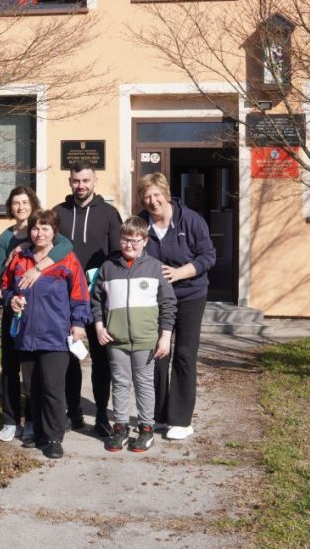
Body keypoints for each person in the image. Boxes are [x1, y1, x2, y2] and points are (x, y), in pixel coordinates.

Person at [1, 209, 91, 460]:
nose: (39, 233)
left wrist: (78, 323)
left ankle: (54, 437)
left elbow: (80, 294)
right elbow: (6, 287)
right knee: (33, 388)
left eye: (45, 228)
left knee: (52, 388)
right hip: (26, 334)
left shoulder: (67, 259)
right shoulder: (20, 258)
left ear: (54, 232)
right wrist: (12, 301)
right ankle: (39, 432)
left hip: (55, 335)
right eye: (35, 228)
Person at [136, 173, 216, 441]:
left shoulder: (190, 220)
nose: (152, 200)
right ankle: (159, 416)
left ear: (166, 194)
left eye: (157, 194)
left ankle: (181, 420)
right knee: (158, 353)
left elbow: (208, 256)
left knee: (183, 353)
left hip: (190, 294)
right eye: (147, 196)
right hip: (155, 300)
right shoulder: (140, 223)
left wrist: (181, 273)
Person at [0, 186, 75, 443]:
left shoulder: (45, 229)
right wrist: (10, 267)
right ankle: (11, 419)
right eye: (15, 203)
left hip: (48, 317)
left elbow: (66, 246)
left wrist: (38, 267)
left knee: (42, 377)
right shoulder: (6, 238)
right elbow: (1, 277)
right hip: (17, 311)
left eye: (25, 202)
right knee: (13, 368)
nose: (20, 207)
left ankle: (36, 422)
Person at [91, 216, 176, 453]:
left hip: (146, 339)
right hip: (116, 339)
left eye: (135, 240)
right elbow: (96, 301)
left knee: (144, 383)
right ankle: (120, 427)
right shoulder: (108, 268)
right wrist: (99, 326)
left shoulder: (156, 268)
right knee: (119, 382)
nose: (129, 245)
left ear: (145, 241)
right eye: (125, 240)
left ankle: (146, 428)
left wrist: (165, 336)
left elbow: (169, 304)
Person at [54, 165, 122, 435]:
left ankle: (103, 416)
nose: (80, 185)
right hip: (65, 298)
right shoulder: (58, 213)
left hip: (98, 298)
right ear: (69, 182)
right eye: (75, 181)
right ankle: (74, 411)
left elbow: (117, 253)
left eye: (85, 180)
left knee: (100, 358)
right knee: (70, 357)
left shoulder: (109, 214)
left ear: (95, 181)